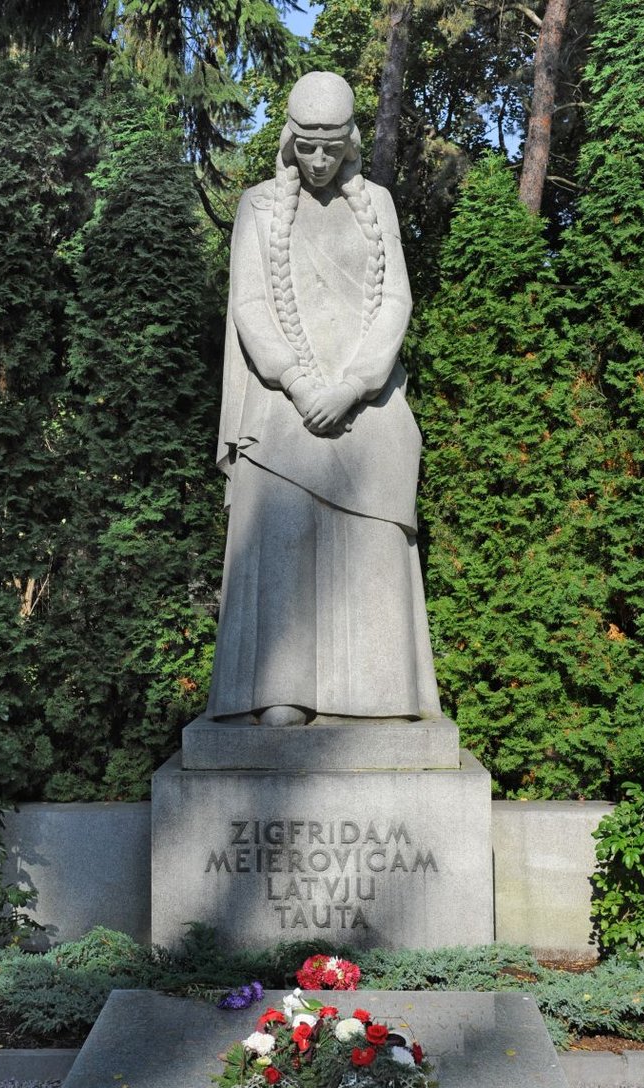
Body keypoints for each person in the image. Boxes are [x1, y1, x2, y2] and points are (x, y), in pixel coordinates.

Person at [206, 71, 440, 727]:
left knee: (371, 538)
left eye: (330, 148)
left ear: (350, 142)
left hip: (363, 402)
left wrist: (352, 386)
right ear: (288, 139)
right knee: (282, 532)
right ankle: (278, 690)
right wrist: (301, 383)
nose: (316, 160)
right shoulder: (258, 207)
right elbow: (251, 305)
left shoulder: (377, 205)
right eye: (306, 147)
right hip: (284, 403)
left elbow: (395, 301)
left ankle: (380, 693)